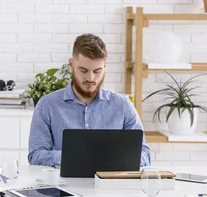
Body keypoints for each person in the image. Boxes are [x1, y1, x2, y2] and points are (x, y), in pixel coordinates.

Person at [28, 33, 151, 167]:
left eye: (97, 71)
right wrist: (71, 155)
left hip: (110, 186)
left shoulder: (123, 106)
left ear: (104, 66)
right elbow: (35, 155)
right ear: (71, 64)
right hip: (63, 185)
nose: (91, 78)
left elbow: (145, 155)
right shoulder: (47, 105)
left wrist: (111, 156)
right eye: (83, 70)